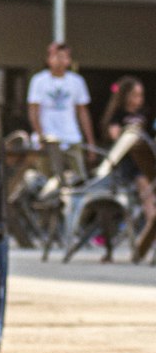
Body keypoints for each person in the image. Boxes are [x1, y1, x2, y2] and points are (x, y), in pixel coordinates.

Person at [100, 75, 156, 262]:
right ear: (124, 96)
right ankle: (151, 214)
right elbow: (116, 139)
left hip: (144, 162)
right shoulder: (118, 115)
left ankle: (151, 214)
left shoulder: (144, 114)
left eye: (140, 96)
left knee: (146, 174)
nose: (137, 100)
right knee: (144, 180)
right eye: (134, 95)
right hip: (125, 164)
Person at [26, 41, 96, 182]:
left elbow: (83, 113)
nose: (60, 60)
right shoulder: (39, 80)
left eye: (63, 57)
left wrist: (90, 143)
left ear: (69, 60)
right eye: (56, 56)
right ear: (48, 59)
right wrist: (40, 136)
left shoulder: (77, 81)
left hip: (71, 137)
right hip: (48, 139)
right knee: (46, 180)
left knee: (79, 179)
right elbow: (33, 111)